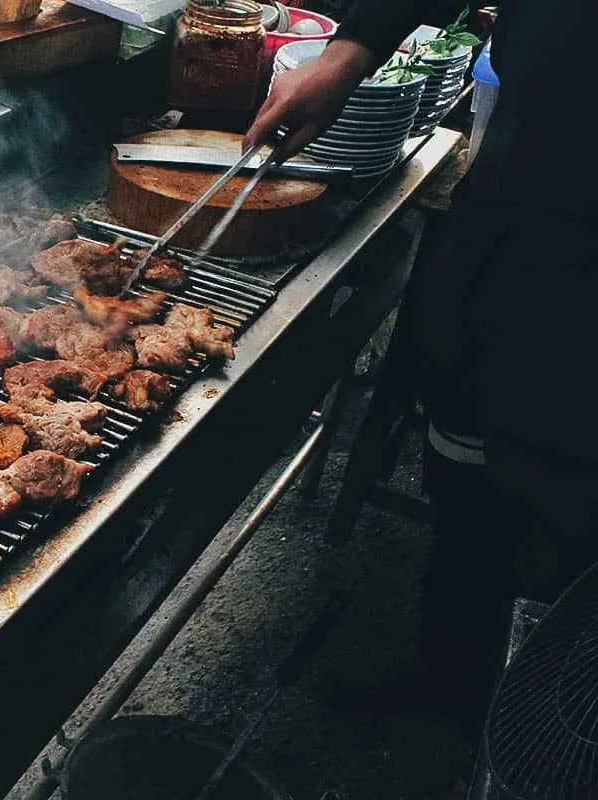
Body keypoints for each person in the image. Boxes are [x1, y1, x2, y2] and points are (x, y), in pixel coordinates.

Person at [245, 0, 598, 742]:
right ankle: (450, 675)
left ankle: (520, 746)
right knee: (461, 465)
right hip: (510, 212)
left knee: (563, 521)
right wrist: (350, 51)